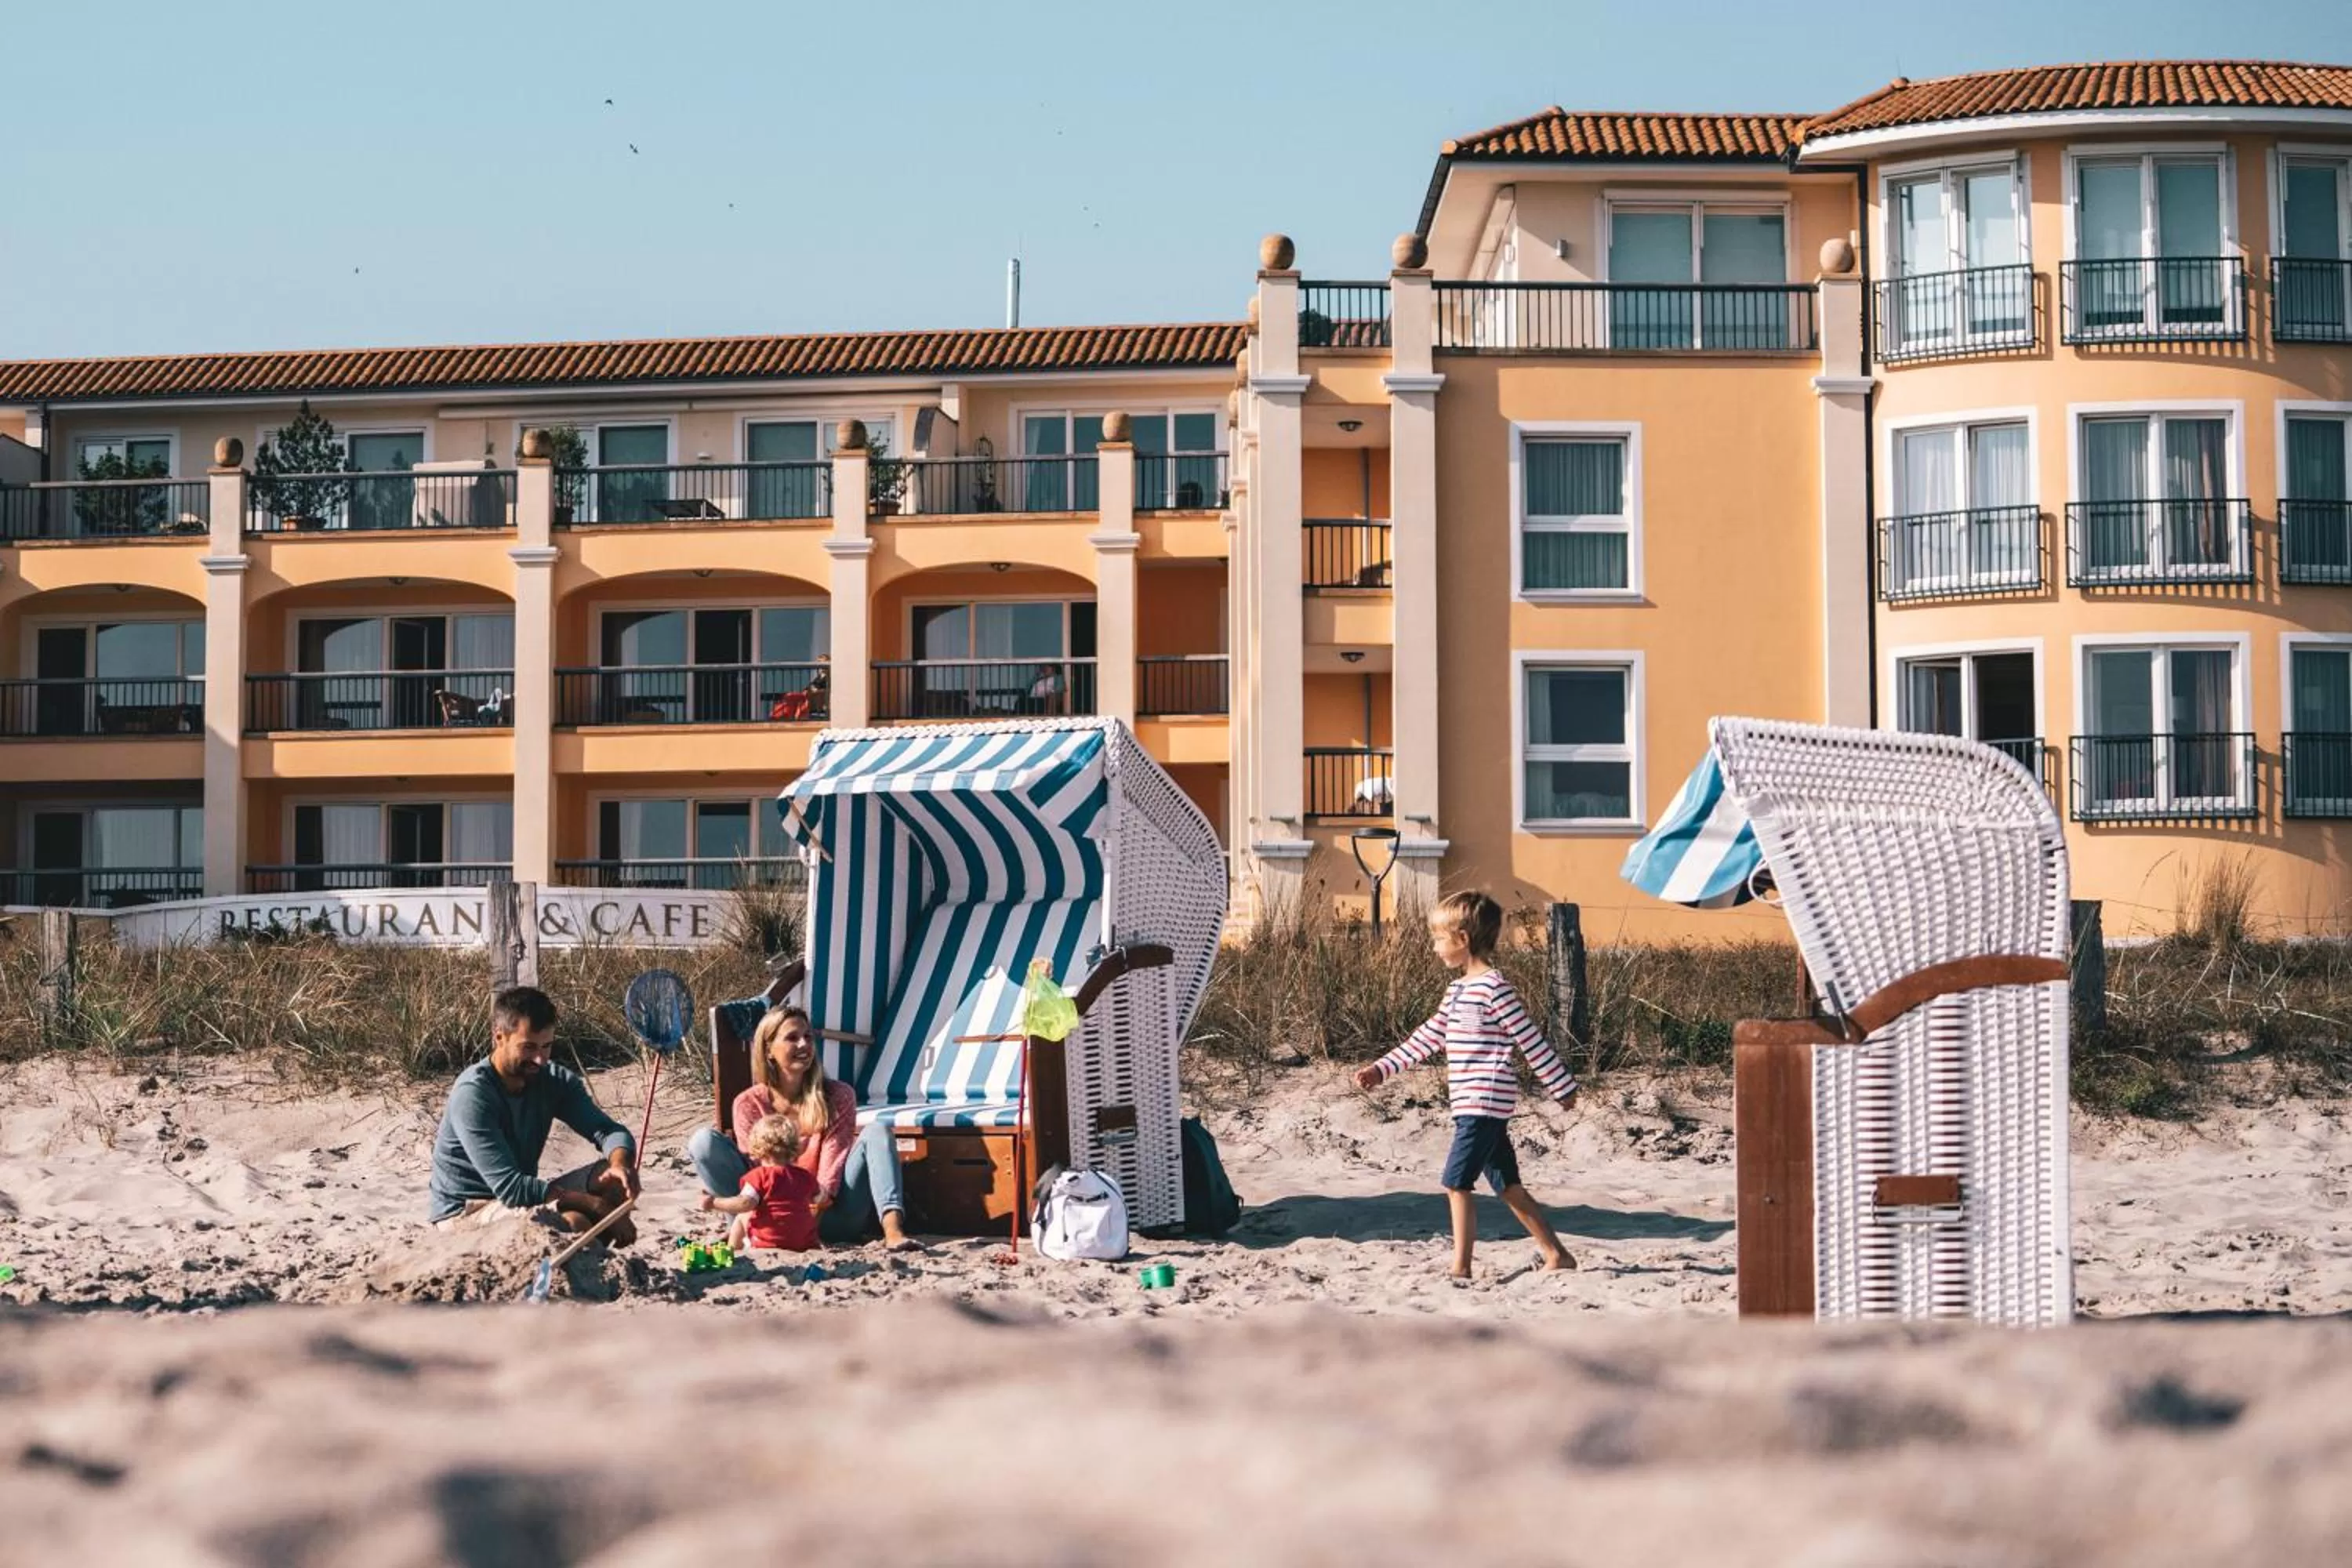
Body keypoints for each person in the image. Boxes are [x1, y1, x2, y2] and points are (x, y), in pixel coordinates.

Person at [1352, 891, 1579, 1279]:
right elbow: (1428, 1037)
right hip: (1469, 1102)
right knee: (1507, 1186)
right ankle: (1557, 1255)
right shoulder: (1457, 991)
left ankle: (1461, 1267)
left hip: (1485, 1100)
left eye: (1440, 938)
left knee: (1456, 1183)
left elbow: (1529, 1038)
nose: (1435, 946)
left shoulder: (1494, 988)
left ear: (1463, 939)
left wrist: (1561, 1086)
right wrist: (1382, 1068)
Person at [684, 1004, 916, 1249]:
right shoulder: (749, 1104)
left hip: (830, 1217)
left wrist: (805, 1220)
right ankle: (739, 1231)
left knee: (877, 1131)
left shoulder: (839, 1095)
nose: (804, 1045)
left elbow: (831, 1172)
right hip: (768, 1218)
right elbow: (757, 1174)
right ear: (769, 1050)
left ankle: (893, 1232)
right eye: (792, 1038)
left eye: (808, 1037)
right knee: (703, 1141)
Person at [428, 985, 639, 1244]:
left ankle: (593, 1263)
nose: (540, 1059)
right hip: (467, 1211)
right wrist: (598, 1207)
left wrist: (621, 1165)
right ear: (499, 1038)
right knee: (574, 1222)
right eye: (528, 1048)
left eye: (547, 1047)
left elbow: (609, 1132)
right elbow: (512, 1188)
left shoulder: (553, 1080)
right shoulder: (473, 1094)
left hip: (516, 1196)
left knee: (611, 1179)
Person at [700, 1113, 821, 1253]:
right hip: (805, 1244)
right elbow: (819, 1197)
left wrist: (713, 1203)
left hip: (768, 1242)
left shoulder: (759, 1177)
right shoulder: (804, 1176)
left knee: (742, 1217)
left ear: (757, 1147)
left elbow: (745, 1204)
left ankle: (732, 1250)